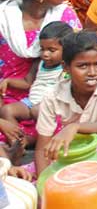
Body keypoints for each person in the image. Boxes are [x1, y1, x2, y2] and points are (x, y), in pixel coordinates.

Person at [0, 0, 81, 150]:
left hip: (56, 97)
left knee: (67, 126)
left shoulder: (65, 16)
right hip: (8, 100)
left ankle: (24, 143)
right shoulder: (4, 20)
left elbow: (80, 60)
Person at [34, 31, 97, 176]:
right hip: (75, 149)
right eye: (82, 66)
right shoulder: (52, 96)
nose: (92, 72)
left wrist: (74, 127)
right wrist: (43, 182)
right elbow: (42, 146)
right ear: (66, 67)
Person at [0, 21, 71, 157]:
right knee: (7, 110)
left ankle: (41, 141)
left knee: (39, 112)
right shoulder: (39, 63)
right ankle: (19, 141)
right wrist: (8, 81)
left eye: (51, 50)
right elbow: (27, 82)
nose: (45, 54)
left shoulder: (66, 67)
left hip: (51, 105)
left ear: (66, 49)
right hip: (31, 101)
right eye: (42, 49)